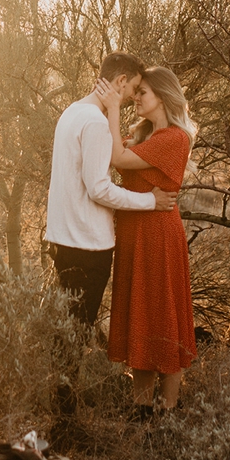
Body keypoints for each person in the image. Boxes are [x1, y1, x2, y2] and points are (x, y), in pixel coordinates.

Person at [44, 53, 177, 336]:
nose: (132, 97)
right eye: (132, 89)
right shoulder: (95, 123)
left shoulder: (72, 112)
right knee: (75, 334)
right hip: (87, 246)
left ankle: (60, 379)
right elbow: (99, 189)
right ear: (121, 81)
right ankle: (65, 381)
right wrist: (150, 201)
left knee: (65, 332)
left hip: (62, 240)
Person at [97, 66, 197, 417]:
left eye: (144, 93)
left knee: (163, 315)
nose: (136, 98)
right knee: (141, 313)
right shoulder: (146, 135)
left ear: (164, 97)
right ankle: (141, 411)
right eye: (136, 93)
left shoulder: (173, 138)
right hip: (135, 235)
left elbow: (118, 158)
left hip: (157, 235)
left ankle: (167, 411)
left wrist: (111, 108)